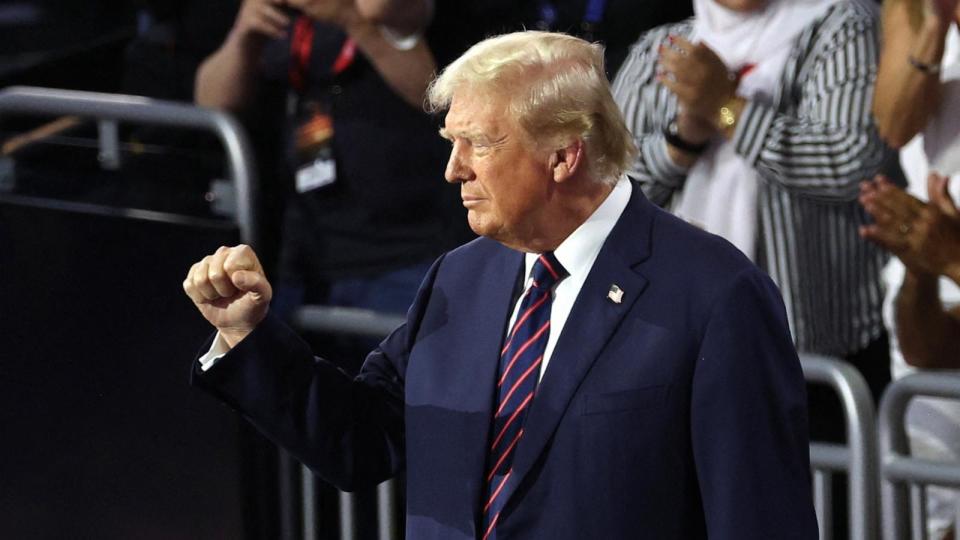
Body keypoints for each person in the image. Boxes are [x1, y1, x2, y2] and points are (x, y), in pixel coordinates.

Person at [183, 31, 817, 539]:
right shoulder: (460, 277)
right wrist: (247, 335)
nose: (453, 169)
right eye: (451, 142)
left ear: (563, 156)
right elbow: (361, 440)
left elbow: (759, 520)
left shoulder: (714, 295)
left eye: (477, 144)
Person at [866, 2, 960, 536]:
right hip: (929, 266)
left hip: (944, 252)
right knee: (935, 505)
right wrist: (937, 29)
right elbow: (895, 125)